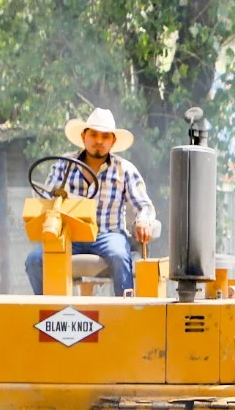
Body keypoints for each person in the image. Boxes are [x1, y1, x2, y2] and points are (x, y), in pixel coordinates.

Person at [25, 107, 157, 296]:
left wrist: (143, 221)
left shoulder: (124, 169)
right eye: (93, 135)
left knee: (119, 255)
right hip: (70, 235)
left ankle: (126, 310)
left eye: (105, 137)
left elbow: (144, 205)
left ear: (113, 141)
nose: (98, 141)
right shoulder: (64, 165)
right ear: (83, 136)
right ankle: (49, 311)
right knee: (34, 260)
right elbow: (46, 197)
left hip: (108, 234)